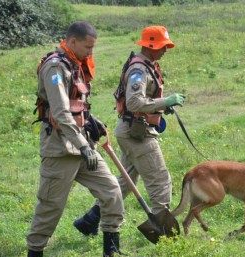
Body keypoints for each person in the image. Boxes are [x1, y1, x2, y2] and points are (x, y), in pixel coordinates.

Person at [26, 21, 124, 257]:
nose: (90, 53)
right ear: (71, 42)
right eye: (87, 47)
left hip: (83, 146)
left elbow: (76, 104)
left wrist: (91, 120)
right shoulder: (55, 67)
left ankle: (111, 253)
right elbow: (60, 112)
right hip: (61, 149)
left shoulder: (75, 64)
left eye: (92, 48)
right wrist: (82, 145)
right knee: (51, 206)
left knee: (112, 191)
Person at [73, 25, 184, 236]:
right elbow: (134, 103)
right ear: (150, 46)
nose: (165, 50)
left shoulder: (148, 65)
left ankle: (89, 220)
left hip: (133, 130)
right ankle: (161, 230)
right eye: (162, 46)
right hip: (137, 134)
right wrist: (165, 100)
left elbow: (143, 102)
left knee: (124, 182)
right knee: (160, 180)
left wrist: (161, 106)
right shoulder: (139, 70)